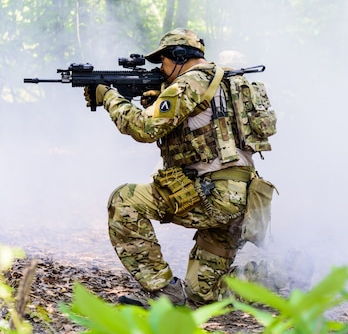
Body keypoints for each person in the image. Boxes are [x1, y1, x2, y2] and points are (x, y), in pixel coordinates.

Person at [83, 28, 272, 306]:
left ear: (180, 56)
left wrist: (108, 96)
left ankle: (163, 290)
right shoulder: (223, 81)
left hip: (213, 198)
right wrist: (155, 100)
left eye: (164, 61)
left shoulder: (190, 82)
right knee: (201, 295)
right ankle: (283, 273)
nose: (161, 68)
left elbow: (144, 128)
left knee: (124, 201)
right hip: (243, 200)